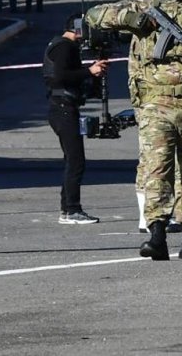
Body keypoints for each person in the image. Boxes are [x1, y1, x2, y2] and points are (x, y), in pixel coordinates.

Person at [86, 0, 182, 261]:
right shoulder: (143, 5)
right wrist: (133, 18)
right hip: (154, 103)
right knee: (157, 169)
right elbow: (94, 15)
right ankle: (156, 232)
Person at [45, 12, 108, 224]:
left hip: (63, 107)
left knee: (72, 160)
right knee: (76, 161)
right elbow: (61, 75)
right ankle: (71, 209)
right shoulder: (64, 46)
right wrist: (89, 71)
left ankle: (68, 208)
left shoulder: (61, 45)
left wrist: (89, 72)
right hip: (62, 108)